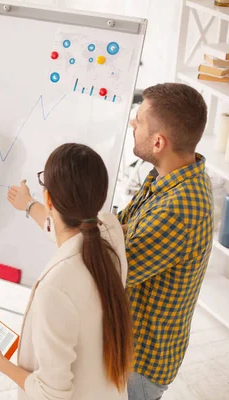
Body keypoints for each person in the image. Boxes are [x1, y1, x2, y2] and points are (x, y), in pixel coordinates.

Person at [0, 143, 133, 400]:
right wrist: (28, 205)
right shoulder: (111, 232)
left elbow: (51, 395)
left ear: (49, 199)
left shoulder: (56, 288)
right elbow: (65, 230)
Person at [119, 83, 213, 400]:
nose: (133, 124)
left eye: (140, 120)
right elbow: (122, 228)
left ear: (158, 142)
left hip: (138, 364)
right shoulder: (168, 175)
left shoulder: (178, 210)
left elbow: (111, 269)